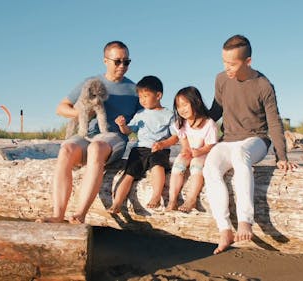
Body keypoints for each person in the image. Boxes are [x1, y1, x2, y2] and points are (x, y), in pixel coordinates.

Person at [203, 34, 297, 254]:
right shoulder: (221, 79)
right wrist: (193, 120)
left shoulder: (263, 85)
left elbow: (274, 122)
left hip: (256, 140)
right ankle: (224, 228)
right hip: (228, 140)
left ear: (248, 61)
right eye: (224, 62)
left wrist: (281, 157)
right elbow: (215, 112)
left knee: (241, 155)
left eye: (232, 63)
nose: (227, 67)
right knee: (211, 166)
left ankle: (245, 221)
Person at [37, 41, 141, 224]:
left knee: (96, 147)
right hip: (86, 135)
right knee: (66, 150)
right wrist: (83, 112)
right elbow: (61, 108)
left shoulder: (135, 90)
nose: (122, 66)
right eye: (117, 61)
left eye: (127, 62)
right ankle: (58, 215)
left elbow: (145, 120)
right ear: (105, 60)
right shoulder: (90, 83)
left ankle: (80, 214)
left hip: (112, 139)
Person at [107, 75, 178, 213]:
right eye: (140, 97)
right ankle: (117, 203)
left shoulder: (169, 114)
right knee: (129, 174)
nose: (142, 100)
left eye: (146, 96)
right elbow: (129, 131)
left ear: (158, 95)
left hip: (159, 149)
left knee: (158, 167)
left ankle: (156, 196)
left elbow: (176, 137)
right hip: (140, 150)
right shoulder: (140, 114)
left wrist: (163, 144)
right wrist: (122, 125)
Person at [166, 86, 218, 212]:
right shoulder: (181, 124)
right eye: (178, 106)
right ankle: (172, 199)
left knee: (196, 165)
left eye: (185, 105)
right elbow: (184, 142)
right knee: (178, 164)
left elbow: (211, 145)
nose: (181, 109)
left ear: (196, 102)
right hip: (192, 151)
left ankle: (191, 199)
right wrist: (186, 151)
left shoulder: (208, 123)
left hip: (205, 152)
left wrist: (200, 151)